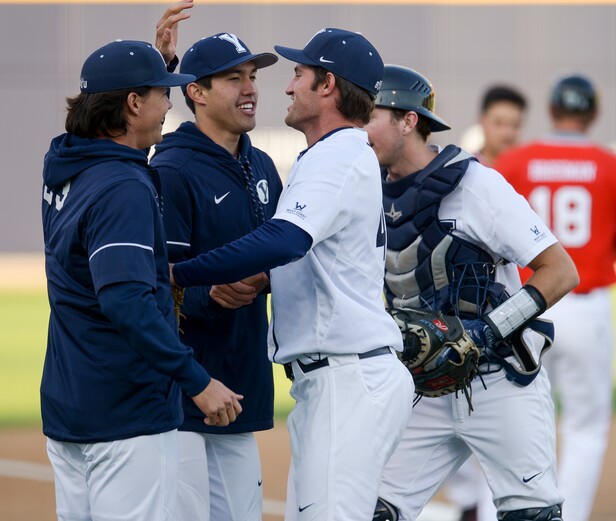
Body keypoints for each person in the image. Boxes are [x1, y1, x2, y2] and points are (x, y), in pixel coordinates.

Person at [168, 28, 415, 520]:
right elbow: (297, 255)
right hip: (334, 379)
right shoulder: (332, 155)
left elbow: (284, 240)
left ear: (328, 86)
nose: (284, 85)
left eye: (299, 74)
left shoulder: (337, 154)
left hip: (347, 376)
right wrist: (263, 278)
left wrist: (179, 274)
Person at [40, 12, 244, 520]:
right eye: (161, 92)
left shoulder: (64, 162)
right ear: (133, 103)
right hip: (124, 415)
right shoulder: (122, 187)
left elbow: (110, 135)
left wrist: (156, 63)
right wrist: (196, 380)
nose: (170, 103)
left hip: (70, 407)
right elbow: (126, 301)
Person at [365, 64, 579, 521]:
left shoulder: (476, 185)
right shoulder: (365, 191)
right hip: (422, 385)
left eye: (370, 114)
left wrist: (482, 334)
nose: (358, 127)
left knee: (533, 515)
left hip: (501, 379)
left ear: (409, 120)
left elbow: (560, 271)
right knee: (372, 510)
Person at [495, 74, 616, 521]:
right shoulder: (613, 165)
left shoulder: (517, 161)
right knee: (585, 427)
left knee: (505, 424)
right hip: (585, 302)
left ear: (551, 110)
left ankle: (495, 513)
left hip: (522, 306)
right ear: (593, 113)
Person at [149, 32, 281, 521]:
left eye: (252, 77)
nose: (249, 89)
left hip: (240, 384)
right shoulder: (173, 168)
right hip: (184, 394)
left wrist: (265, 277)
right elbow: (155, 281)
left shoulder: (262, 163)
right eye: (233, 78)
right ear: (196, 92)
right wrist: (210, 294)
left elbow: (282, 254)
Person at [444, 83, 529, 521]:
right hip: (467, 311)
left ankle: (481, 504)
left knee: (500, 411)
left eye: (515, 124)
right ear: (483, 122)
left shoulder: (525, 170)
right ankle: (468, 500)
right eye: (500, 122)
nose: (508, 131)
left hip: (517, 307)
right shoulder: (465, 171)